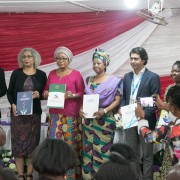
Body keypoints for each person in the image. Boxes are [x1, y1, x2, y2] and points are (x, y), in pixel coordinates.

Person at [80, 48, 123, 179]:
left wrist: (104, 110)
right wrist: (81, 108)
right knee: (87, 151)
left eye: (98, 63)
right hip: (89, 121)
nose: (95, 66)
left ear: (105, 64)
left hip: (105, 120)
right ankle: (87, 177)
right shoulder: (88, 80)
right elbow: (85, 97)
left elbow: (118, 99)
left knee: (103, 152)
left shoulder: (114, 81)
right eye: (94, 63)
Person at [43, 46, 85, 180]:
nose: (60, 61)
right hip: (55, 115)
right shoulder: (51, 74)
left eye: (63, 58)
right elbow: (45, 92)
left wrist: (72, 95)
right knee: (54, 147)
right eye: (58, 58)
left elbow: (82, 93)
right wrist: (45, 93)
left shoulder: (76, 74)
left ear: (69, 60)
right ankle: (55, 176)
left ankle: (71, 177)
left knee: (70, 146)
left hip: (71, 116)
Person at [7, 48, 47, 180]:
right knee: (18, 146)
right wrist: (13, 104)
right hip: (18, 115)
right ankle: (20, 175)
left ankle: (29, 175)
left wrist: (39, 95)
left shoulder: (41, 74)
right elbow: (10, 92)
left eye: (29, 57)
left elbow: (45, 94)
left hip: (34, 115)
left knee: (32, 146)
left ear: (35, 58)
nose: (26, 59)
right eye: (24, 57)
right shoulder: (16, 73)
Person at [120, 47, 160, 180]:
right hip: (129, 119)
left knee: (147, 154)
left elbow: (155, 102)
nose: (133, 61)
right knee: (132, 154)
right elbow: (124, 97)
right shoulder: (127, 76)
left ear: (144, 60)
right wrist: (121, 108)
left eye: (136, 58)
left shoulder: (153, 77)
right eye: (131, 58)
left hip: (146, 121)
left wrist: (142, 114)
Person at [136, 85, 180, 173]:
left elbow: (148, 137)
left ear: (172, 107)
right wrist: (167, 107)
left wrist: (141, 119)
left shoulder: (170, 131)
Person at [153, 60, 180, 179]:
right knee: (168, 159)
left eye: (176, 71)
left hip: (177, 130)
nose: (173, 73)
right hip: (169, 127)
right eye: (172, 70)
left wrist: (161, 104)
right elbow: (166, 109)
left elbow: (169, 107)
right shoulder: (169, 88)